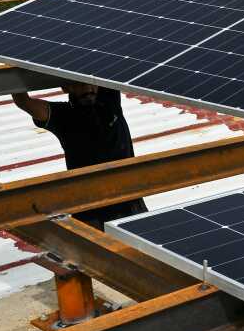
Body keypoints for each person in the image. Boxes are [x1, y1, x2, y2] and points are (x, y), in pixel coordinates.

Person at [11, 83, 148, 230]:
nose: (88, 89)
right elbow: (23, 102)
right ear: (66, 88)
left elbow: (108, 67)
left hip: (130, 203)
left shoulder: (109, 100)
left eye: (91, 84)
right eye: (79, 85)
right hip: (92, 214)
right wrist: (15, 73)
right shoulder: (62, 115)